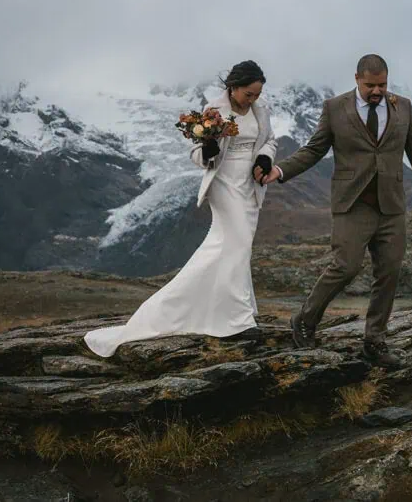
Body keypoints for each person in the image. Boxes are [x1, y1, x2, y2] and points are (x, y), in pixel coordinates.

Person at [263, 54, 412, 368]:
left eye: (383, 84)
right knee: (345, 266)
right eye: (371, 85)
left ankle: (375, 342)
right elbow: (314, 149)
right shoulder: (335, 108)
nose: (377, 91)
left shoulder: (403, 106)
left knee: (388, 273)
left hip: (391, 206)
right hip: (353, 203)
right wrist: (280, 171)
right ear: (357, 79)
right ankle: (305, 320)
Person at [84, 60, 276, 356]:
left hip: (249, 186)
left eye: (257, 94)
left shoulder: (260, 111)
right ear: (234, 87)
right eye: (249, 94)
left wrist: (264, 157)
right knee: (237, 244)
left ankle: (203, 309)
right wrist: (208, 151)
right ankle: (238, 320)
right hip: (224, 184)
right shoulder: (213, 111)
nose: (254, 100)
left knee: (228, 248)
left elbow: (269, 141)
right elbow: (197, 154)